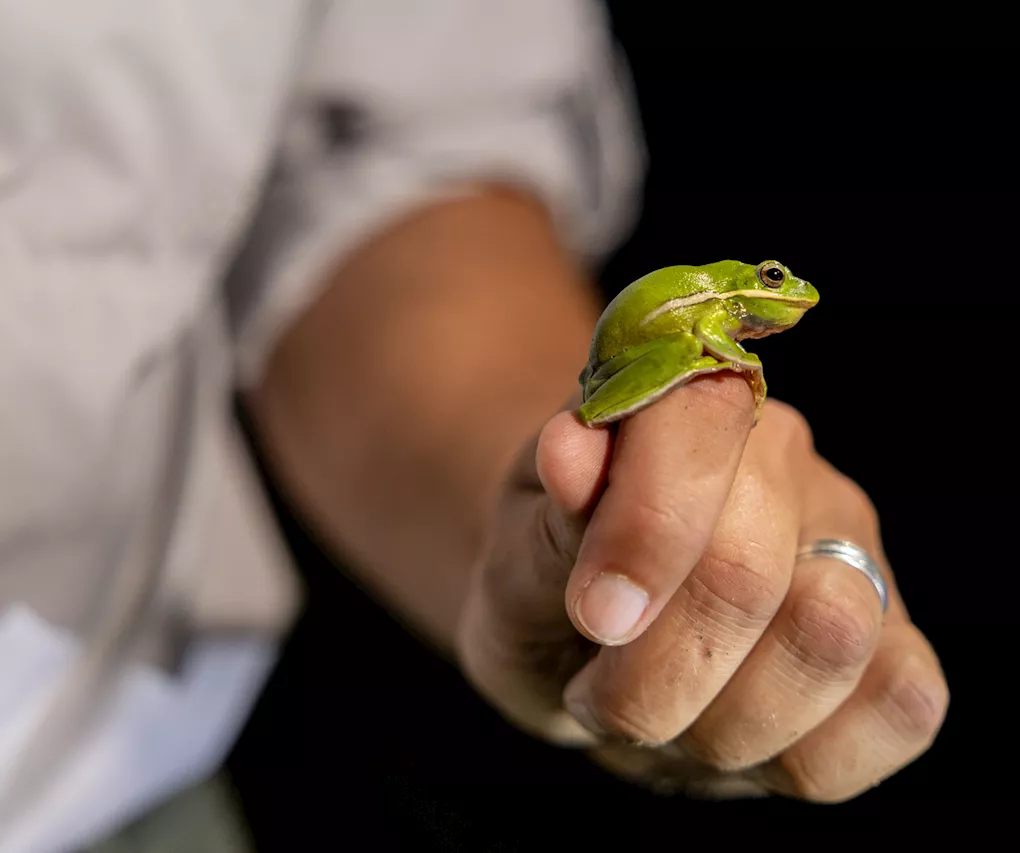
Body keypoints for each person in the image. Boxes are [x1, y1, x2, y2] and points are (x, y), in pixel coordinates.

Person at [0, 1, 949, 849]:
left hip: (97, 760)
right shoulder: (712, 310)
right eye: (776, 283)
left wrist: (580, 526)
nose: (783, 296)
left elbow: (386, 157)